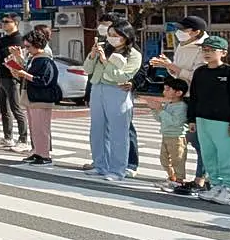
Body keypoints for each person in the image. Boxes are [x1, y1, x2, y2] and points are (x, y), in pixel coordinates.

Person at [151, 14, 211, 192]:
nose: (178, 32)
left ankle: (202, 178)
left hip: (200, 97)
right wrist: (169, 66)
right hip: (185, 95)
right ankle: (183, 177)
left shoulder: (204, 48)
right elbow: (179, 74)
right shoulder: (182, 45)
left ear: (196, 32)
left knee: (201, 141)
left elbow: (199, 77)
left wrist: (173, 67)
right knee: (191, 139)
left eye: (183, 30)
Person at [188, 35, 230, 205]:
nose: (207, 53)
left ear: (224, 53)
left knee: (226, 154)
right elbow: (194, 97)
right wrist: (192, 119)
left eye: (212, 50)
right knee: (208, 154)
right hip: (202, 119)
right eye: (205, 50)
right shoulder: (200, 72)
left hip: (223, 121)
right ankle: (215, 184)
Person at [83, 21, 142, 183]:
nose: (112, 38)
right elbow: (87, 69)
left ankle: (118, 170)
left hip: (117, 91)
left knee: (119, 132)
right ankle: (100, 165)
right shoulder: (103, 47)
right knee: (97, 129)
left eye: (116, 35)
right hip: (97, 88)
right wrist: (93, 55)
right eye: (110, 35)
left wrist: (104, 61)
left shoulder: (134, 54)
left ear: (126, 36)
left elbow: (122, 76)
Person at [15, 30, 60, 165]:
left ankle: (44, 155)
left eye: (28, 46)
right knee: (34, 128)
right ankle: (37, 152)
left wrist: (25, 75)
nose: (26, 49)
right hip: (33, 98)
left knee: (41, 128)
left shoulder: (45, 60)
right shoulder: (33, 59)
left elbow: (45, 80)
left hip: (41, 99)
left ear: (37, 44)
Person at [141, 77, 191, 190]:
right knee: (164, 159)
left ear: (178, 93)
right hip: (166, 135)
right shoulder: (169, 104)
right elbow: (161, 119)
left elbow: (175, 122)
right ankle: (171, 177)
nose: (164, 91)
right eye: (164, 89)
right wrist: (155, 110)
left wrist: (160, 110)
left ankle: (179, 180)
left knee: (177, 159)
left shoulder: (182, 106)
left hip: (177, 137)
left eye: (168, 89)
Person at [0, 13, 29, 153]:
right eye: (3, 21)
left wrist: (2, 53)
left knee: (16, 109)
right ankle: (8, 137)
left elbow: (18, 59)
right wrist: (5, 51)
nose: (4, 24)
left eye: (7, 22)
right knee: (4, 109)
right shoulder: (2, 40)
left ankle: (23, 139)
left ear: (15, 23)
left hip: (12, 78)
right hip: (0, 76)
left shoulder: (19, 39)